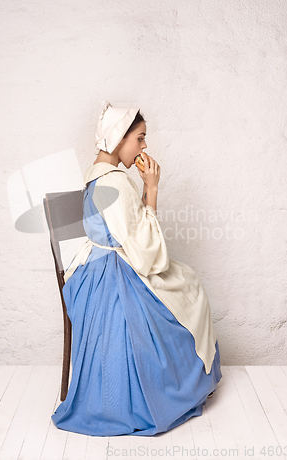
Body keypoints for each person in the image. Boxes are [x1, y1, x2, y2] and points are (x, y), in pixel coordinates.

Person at [51, 100, 222, 436]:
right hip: (109, 279)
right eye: (140, 138)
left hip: (88, 274)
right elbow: (147, 255)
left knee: (183, 279)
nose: (144, 147)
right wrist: (152, 188)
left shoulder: (95, 175)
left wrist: (143, 189)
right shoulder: (115, 183)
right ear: (119, 139)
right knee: (188, 285)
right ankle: (178, 387)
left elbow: (130, 237)